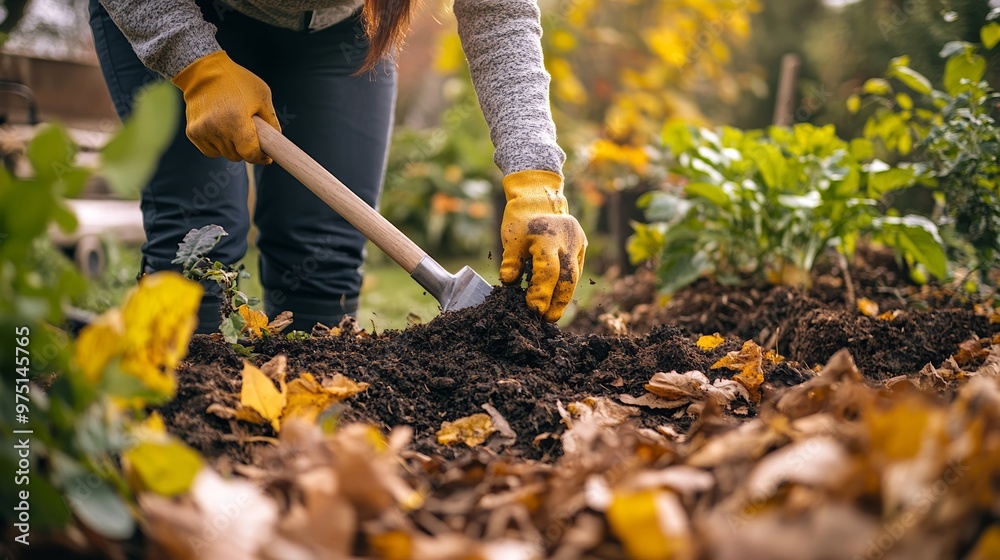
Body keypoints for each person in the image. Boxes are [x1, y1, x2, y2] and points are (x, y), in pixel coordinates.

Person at [89, 0, 587, 332]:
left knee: (322, 266)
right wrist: (194, 64)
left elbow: (499, 14)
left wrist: (535, 177)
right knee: (197, 247)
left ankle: (310, 459)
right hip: (181, 11)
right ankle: (171, 443)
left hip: (339, 35)